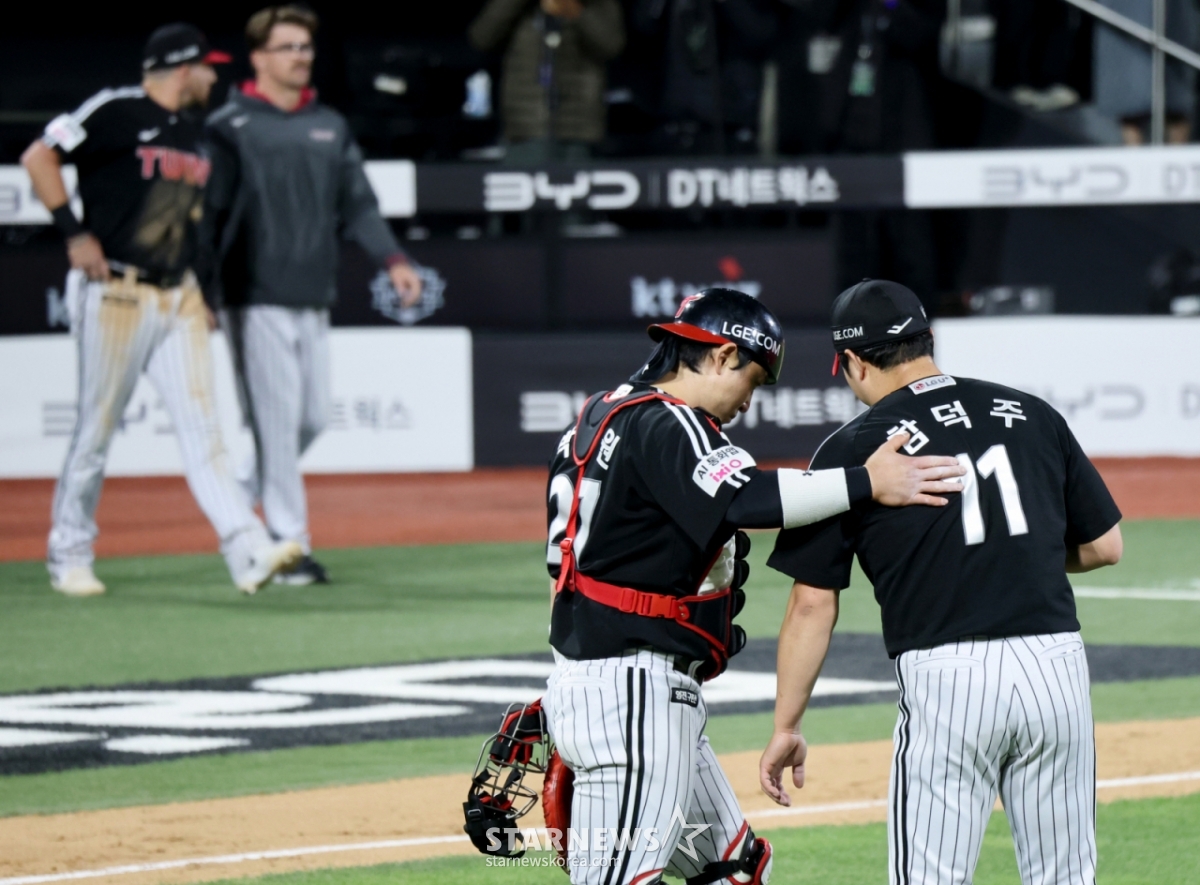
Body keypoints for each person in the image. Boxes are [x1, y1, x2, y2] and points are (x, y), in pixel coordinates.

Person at [541, 288, 965, 884]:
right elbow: (747, 499)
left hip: (619, 684)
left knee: (732, 867)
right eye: (754, 377)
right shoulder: (668, 420)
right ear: (719, 356)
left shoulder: (601, 414)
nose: (750, 401)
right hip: (630, 691)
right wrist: (866, 481)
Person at [759, 279, 1124, 885]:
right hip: (1055, 665)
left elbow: (811, 606)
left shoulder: (852, 449)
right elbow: (1104, 546)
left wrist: (787, 726)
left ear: (851, 362)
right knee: (1065, 876)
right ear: (928, 340)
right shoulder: (1030, 412)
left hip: (949, 679)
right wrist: (1016, 553)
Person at [21, 23, 302, 597]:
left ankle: (247, 550)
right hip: (117, 290)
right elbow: (37, 157)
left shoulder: (196, 136)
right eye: (206, 66)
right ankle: (68, 552)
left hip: (178, 295)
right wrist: (74, 234)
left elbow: (190, 225)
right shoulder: (116, 110)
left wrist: (202, 293)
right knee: (96, 428)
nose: (213, 76)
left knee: (206, 433)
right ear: (181, 68)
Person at [200, 6, 422, 586]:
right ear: (259, 57)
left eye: (305, 47)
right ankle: (289, 545)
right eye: (288, 47)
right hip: (251, 295)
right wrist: (204, 288)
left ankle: (234, 498)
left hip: (312, 293)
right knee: (276, 426)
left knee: (313, 418)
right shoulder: (228, 125)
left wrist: (393, 259)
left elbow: (359, 204)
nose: (301, 56)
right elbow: (208, 217)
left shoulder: (329, 124)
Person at [468, 0, 625, 164]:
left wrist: (575, 11)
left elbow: (613, 45)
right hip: (525, 126)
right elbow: (482, 38)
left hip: (579, 127)